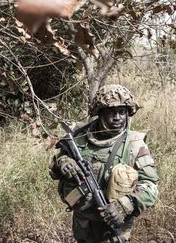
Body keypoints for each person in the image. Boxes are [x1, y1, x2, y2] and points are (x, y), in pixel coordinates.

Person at [49, 84, 159, 242]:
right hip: (83, 222)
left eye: (122, 112)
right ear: (100, 114)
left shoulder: (135, 144)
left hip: (113, 225)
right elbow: (55, 167)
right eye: (111, 112)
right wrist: (64, 162)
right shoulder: (79, 139)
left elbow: (150, 186)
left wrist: (123, 206)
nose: (118, 118)